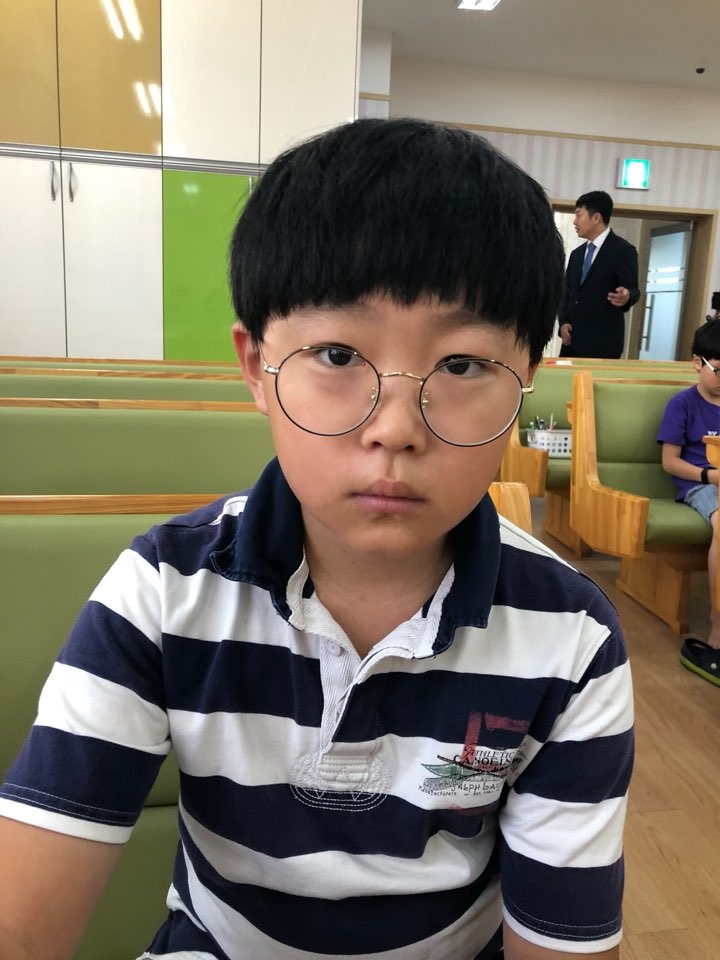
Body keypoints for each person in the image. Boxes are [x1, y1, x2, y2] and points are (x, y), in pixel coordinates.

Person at [0, 118, 634, 960]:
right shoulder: (160, 593)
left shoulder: (572, 637)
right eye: (337, 353)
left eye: (462, 365)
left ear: (526, 384)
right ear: (256, 368)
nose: (396, 428)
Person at [658, 318, 720, 685]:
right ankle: (717, 629)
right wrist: (711, 476)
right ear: (698, 362)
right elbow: (670, 462)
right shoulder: (682, 404)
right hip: (701, 484)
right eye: (719, 370)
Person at [558, 190, 640, 358]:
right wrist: (563, 322)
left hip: (603, 346)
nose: (574, 221)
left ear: (596, 218)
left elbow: (633, 289)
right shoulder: (577, 254)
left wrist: (626, 296)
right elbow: (566, 293)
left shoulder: (623, 251)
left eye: (579, 215)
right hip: (571, 344)